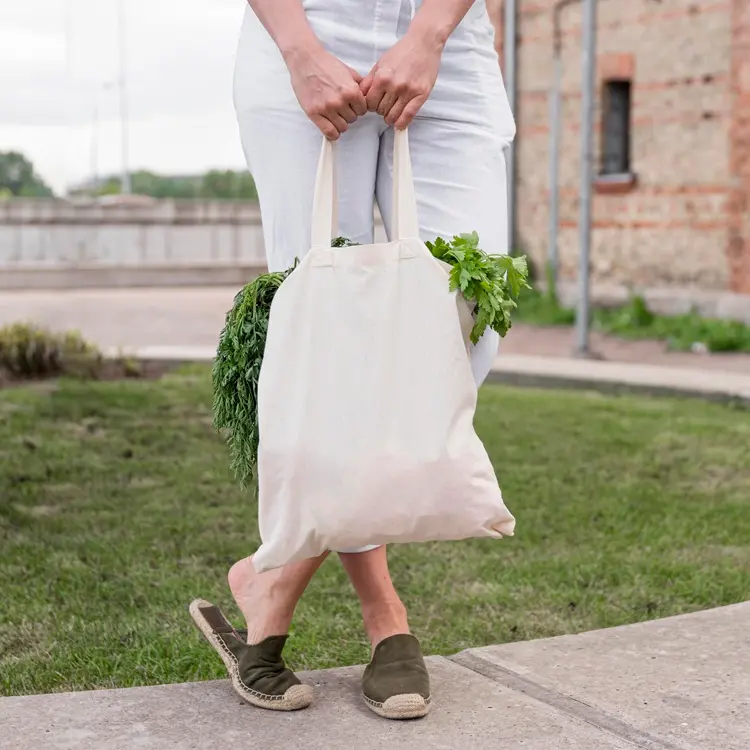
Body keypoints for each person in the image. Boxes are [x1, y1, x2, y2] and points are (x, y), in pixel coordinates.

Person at [190, 0, 515, 721]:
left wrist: (430, 34)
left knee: (466, 317)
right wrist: (299, 49)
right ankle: (383, 615)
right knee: (322, 329)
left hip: (449, 39)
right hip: (305, 30)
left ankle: (268, 581)